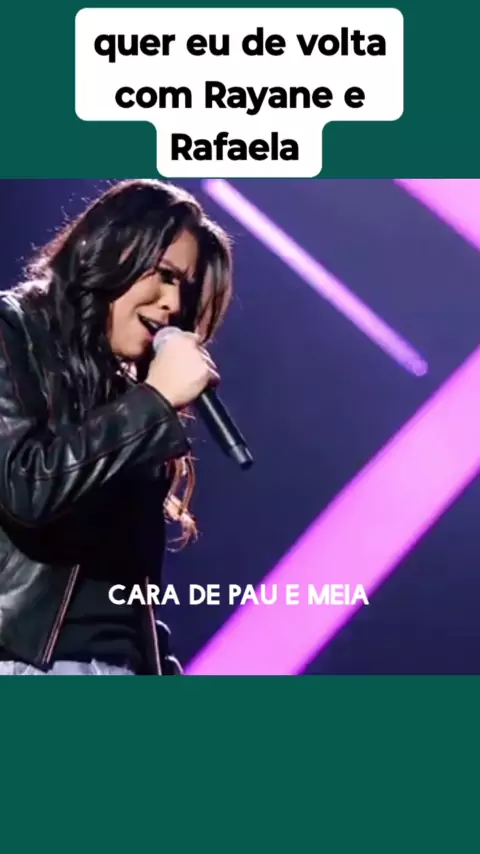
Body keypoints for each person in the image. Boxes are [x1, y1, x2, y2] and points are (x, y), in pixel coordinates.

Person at [0, 178, 232, 675]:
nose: (174, 304)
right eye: (165, 275)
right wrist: (154, 402)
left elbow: (128, 584)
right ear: (112, 250)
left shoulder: (123, 398)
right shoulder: (10, 333)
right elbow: (25, 488)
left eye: (186, 290)